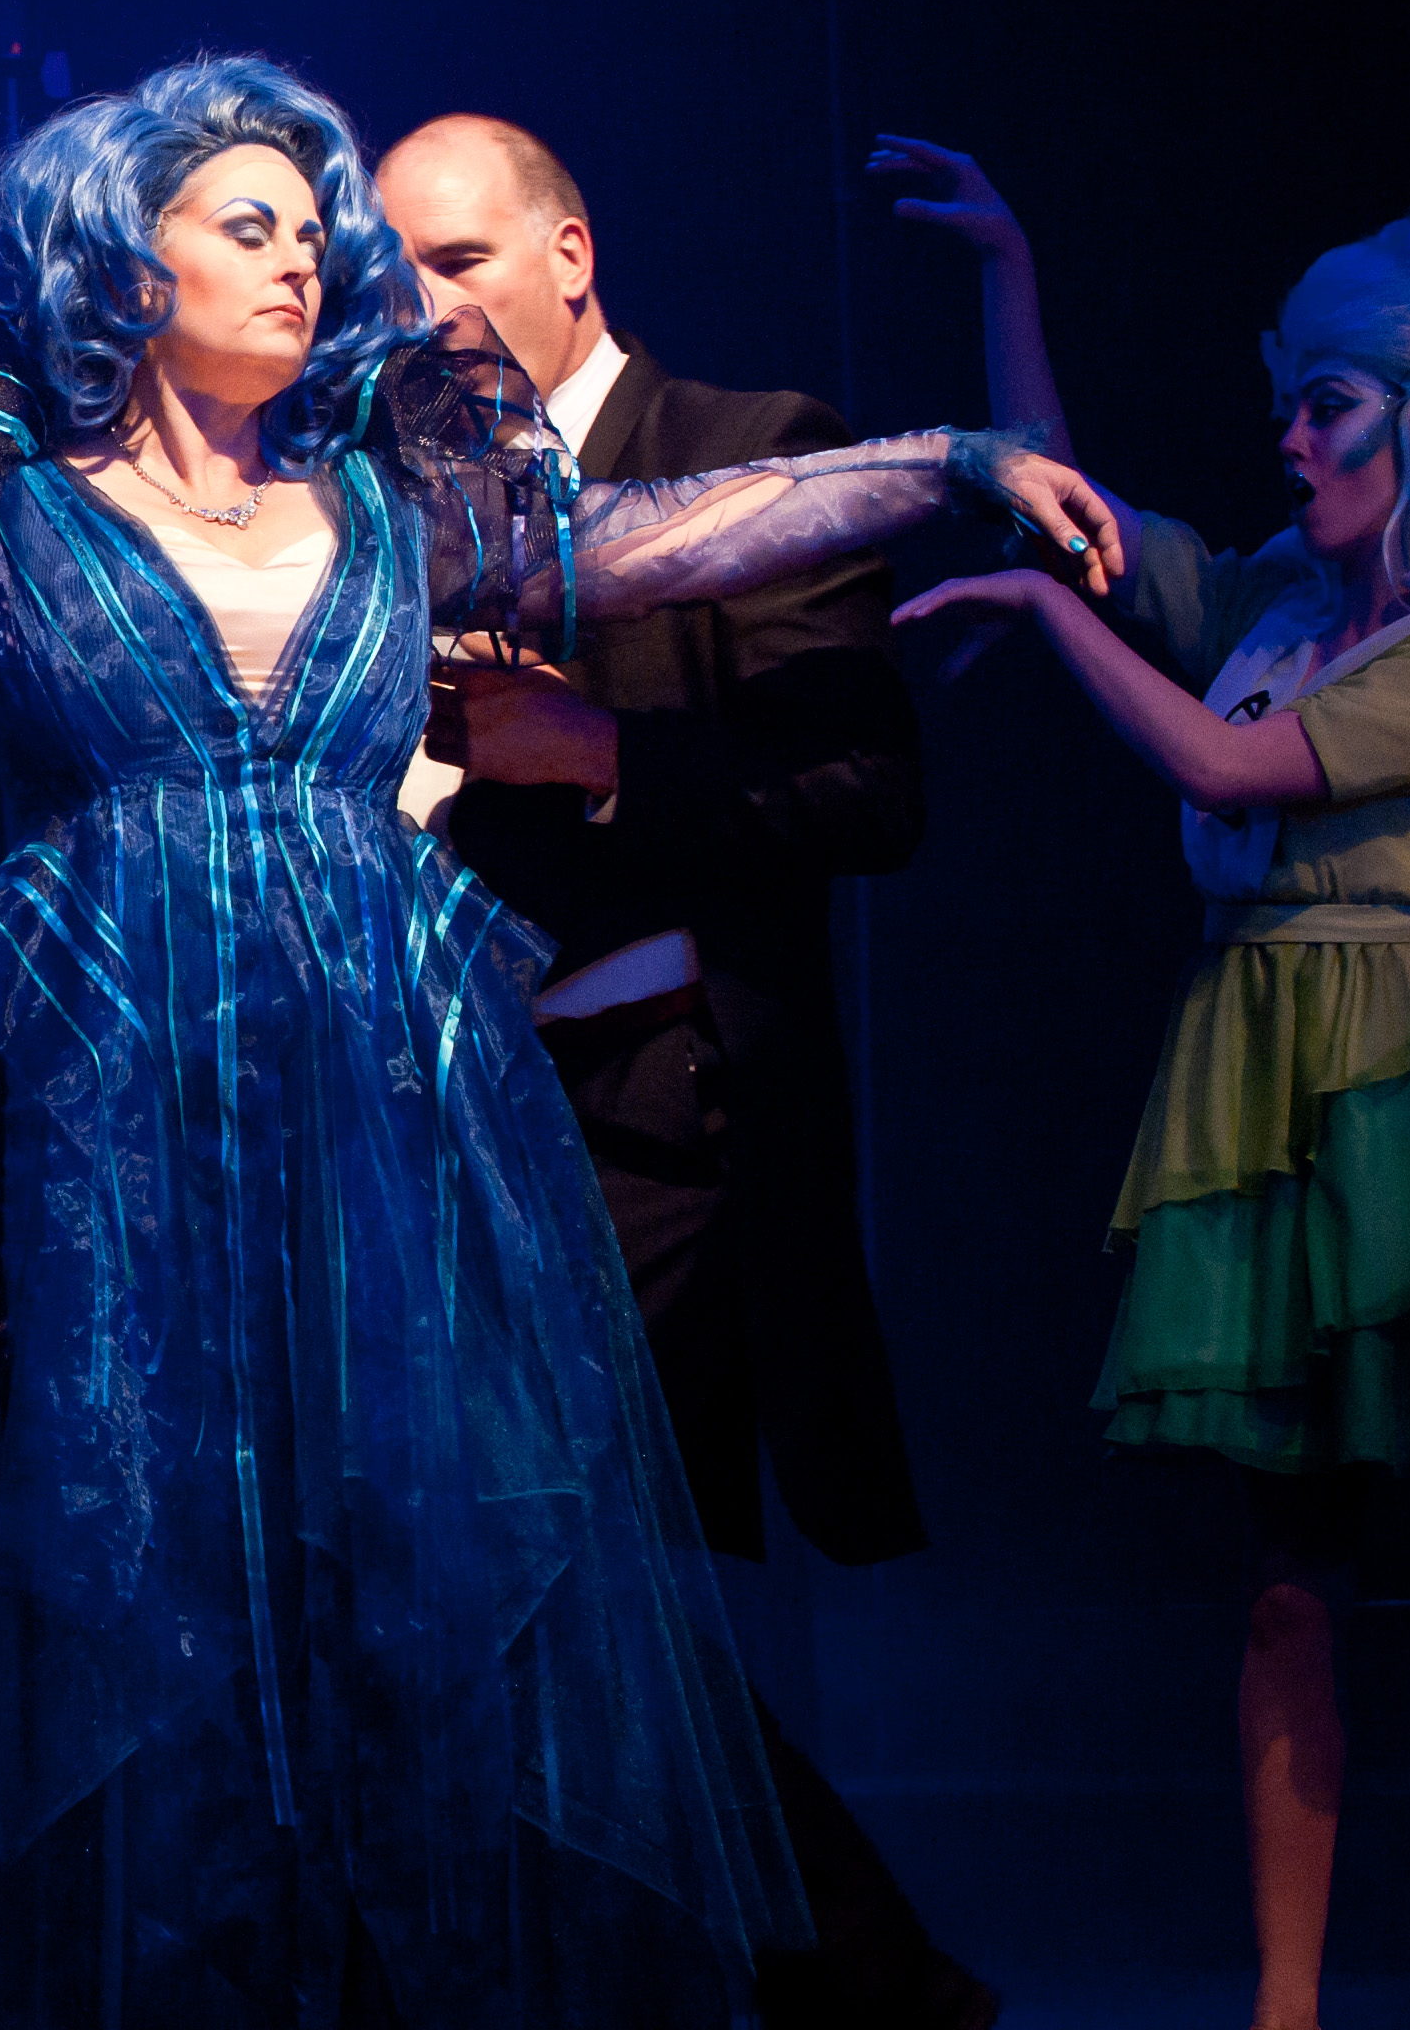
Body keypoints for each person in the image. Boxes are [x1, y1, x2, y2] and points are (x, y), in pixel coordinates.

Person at [0, 56, 1123, 2027]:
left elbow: (678, 532)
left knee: (426, 1587)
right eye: (251, 227)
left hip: (381, 1132)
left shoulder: (400, 510)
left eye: (314, 233)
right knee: (132, 1592)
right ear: (123, 271)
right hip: (112, 1126)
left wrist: (953, 463)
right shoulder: (8, 518)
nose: (303, 263)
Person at [874, 156, 1410, 2030]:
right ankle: (1285, 2007)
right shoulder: (1276, 601)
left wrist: (1046, 618)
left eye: (1328, 407)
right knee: (1290, 1575)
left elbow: (1231, 772)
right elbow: (1080, 522)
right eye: (1294, 405)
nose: (1291, 438)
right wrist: (1011, 266)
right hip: (1265, 1084)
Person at [374, 115, 992, 2030]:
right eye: (396, 272)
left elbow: (868, 793)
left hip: (673, 1107)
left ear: (571, 253)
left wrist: (603, 757)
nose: (426, 307)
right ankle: (808, 1980)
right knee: (513, 1564)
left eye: (463, 260)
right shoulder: (391, 498)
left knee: (546, 1540)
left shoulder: (744, 445)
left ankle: (866, 1980)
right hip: (467, 1111)